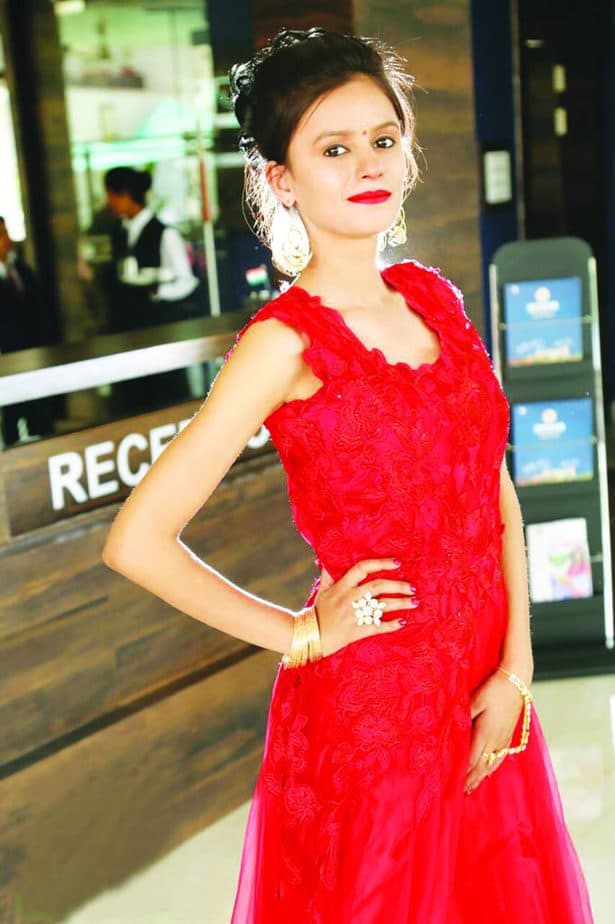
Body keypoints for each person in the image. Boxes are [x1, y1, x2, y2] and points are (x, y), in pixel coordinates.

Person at [101, 27, 596, 923]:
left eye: (382, 138)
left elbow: (490, 487)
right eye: (333, 149)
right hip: (375, 713)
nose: (367, 164)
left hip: (486, 687)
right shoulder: (282, 342)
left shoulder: (433, 299)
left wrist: (515, 669)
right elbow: (137, 541)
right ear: (281, 179)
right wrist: (296, 633)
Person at [103, 166, 202, 415]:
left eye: (111, 195)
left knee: (163, 399)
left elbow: (187, 281)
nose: (109, 203)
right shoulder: (118, 231)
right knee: (130, 401)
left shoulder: (165, 234)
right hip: (126, 331)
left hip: (157, 328)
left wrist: (159, 291)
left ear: (126, 195)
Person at [0, 216, 56, 443]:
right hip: (8, 361)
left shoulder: (21, 269)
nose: (7, 240)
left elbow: (39, 311)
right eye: (1, 235)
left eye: (6, 232)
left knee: (41, 418)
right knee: (13, 421)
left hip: (34, 356)